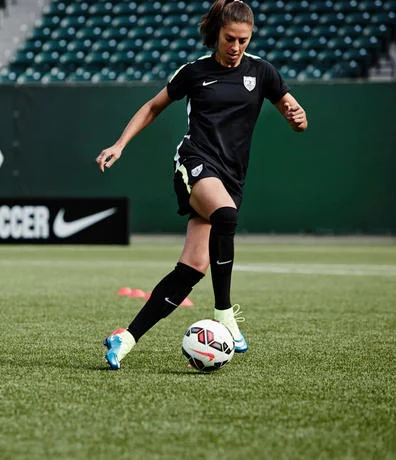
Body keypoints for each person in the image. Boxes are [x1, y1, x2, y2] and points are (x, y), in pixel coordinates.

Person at [96, 0, 308, 370]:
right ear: (217, 34)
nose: (236, 46)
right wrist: (119, 144)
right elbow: (153, 107)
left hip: (231, 177)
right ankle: (224, 313)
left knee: (191, 269)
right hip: (194, 162)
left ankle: (124, 338)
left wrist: (298, 118)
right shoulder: (194, 72)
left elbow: (295, 115)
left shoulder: (263, 72)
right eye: (230, 38)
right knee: (225, 215)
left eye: (243, 40)